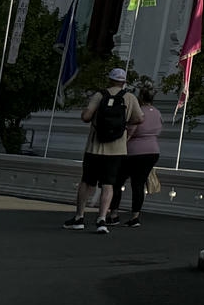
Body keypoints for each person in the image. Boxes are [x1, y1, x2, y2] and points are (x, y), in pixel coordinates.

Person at [65, 67, 138, 233]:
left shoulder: (100, 95)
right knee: (108, 184)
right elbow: (139, 118)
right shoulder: (129, 97)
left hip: (94, 148)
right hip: (117, 149)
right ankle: (102, 219)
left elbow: (86, 117)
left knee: (87, 182)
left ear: (110, 80)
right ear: (123, 82)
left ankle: (79, 217)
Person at [112, 82, 163, 228]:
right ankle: (135, 216)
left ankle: (114, 214)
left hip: (134, 151)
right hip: (152, 150)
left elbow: (131, 131)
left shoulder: (139, 111)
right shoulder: (157, 112)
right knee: (138, 184)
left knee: (118, 181)